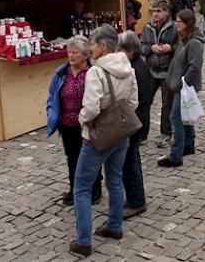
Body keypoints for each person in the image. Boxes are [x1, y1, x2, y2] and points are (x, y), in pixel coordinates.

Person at [69, 24, 138, 257]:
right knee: (115, 179)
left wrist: (82, 120)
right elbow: (133, 102)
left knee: (81, 188)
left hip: (98, 137)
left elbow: (90, 107)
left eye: (92, 44)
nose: (90, 48)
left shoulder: (95, 72)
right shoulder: (128, 67)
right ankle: (115, 226)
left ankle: (83, 241)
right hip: (121, 132)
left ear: (103, 46)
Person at [46, 35, 103, 206]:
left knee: (91, 158)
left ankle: (95, 188)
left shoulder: (93, 72)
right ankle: (74, 189)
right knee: (72, 158)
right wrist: (51, 113)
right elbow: (51, 95)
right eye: (69, 52)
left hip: (89, 123)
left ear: (85, 54)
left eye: (75, 52)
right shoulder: (62, 73)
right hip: (67, 124)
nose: (70, 56)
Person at [158, 9, 205, 167]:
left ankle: (176, 155)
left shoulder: (194, 43)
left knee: (175, 118)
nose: (177, 25)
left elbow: (195, 66)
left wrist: (182, 83)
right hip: (180, 86)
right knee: (185, 117)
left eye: (179, 22)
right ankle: (188, 145)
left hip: (184, 88)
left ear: (187, 24)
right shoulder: (183, 40)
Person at [117, 31, 150, 220]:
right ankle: (134, 197)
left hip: (133, 122)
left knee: (129, 162)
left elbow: (137, 101)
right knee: (130, 161)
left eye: (119, 49)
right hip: (136, 121)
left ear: (129, 50)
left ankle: (137, 201)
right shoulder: (134, 65)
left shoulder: (135, 68)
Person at [140, 0, 178, 148]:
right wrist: (151, 48)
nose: (155, 14)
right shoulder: (147, 27)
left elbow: (180, 46)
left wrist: (171, 48)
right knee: (144, 102)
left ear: (166, 12)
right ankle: (141, 134)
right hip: (150, 70)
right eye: (153, 11)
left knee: (166, 104)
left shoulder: (174, 27)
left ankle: (166, 134)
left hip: (167, 71)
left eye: (158, 11)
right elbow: (141, 46)